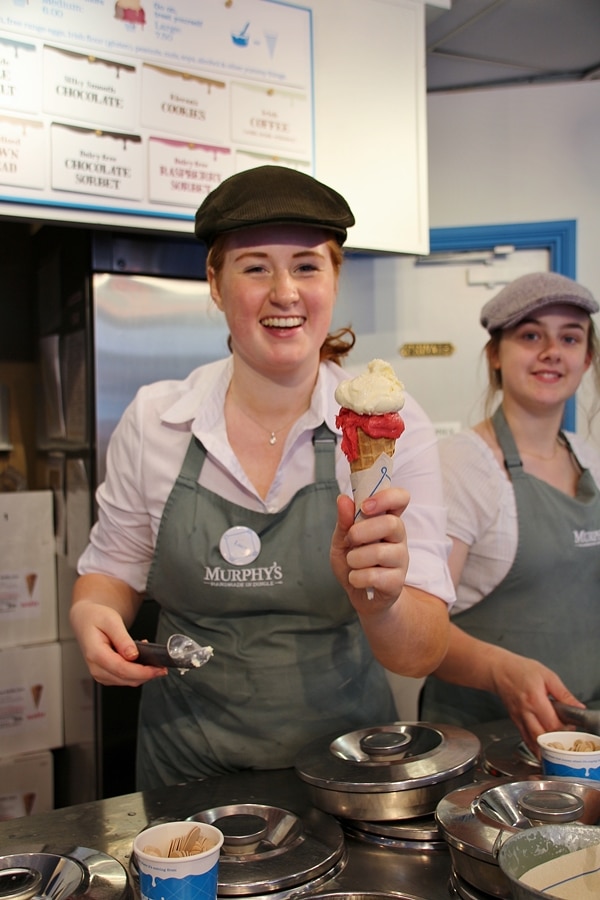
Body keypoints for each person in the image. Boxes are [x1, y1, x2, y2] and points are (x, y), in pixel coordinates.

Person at [70, 165, 454, 789]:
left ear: (334, 280)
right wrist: (92, 613)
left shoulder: (388, 426)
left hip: (350, 770)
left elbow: (423, 650)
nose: (285, 292)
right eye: (254, 267)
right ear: (215, 285)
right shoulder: (157, 420)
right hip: (185, 770)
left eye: (307, 265)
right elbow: (111, 571)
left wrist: (378, 600)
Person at [420, 271, 600, 753]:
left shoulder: (591, 458)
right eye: (530, 335)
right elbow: (419, 632)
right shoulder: (462, 465)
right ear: (496, 355)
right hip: (484, 740)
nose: (551, 351)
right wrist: (501, 670)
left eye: (570, 337)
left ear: (586, 358)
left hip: (581, 735)